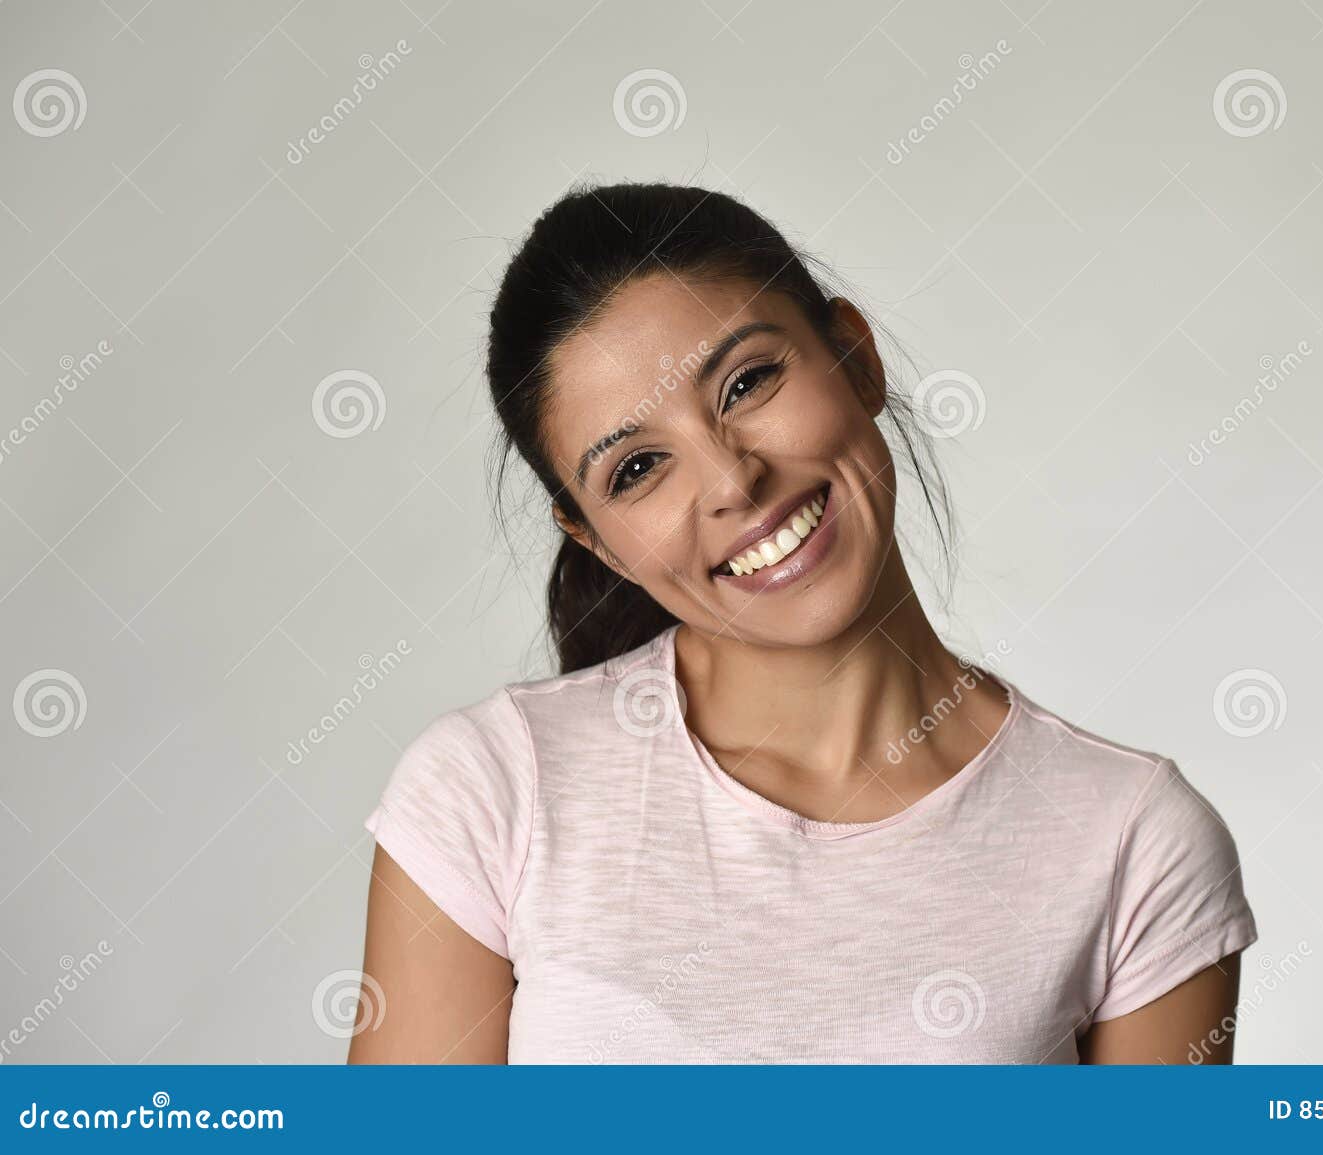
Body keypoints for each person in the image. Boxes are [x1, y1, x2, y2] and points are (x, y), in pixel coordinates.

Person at [348, 181, 1257, 1064]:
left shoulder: (1132, 840)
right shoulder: (491, 792)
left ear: (855, 358)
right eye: (636, 470)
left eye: (747, 383)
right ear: (599, 544)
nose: (734, 481)